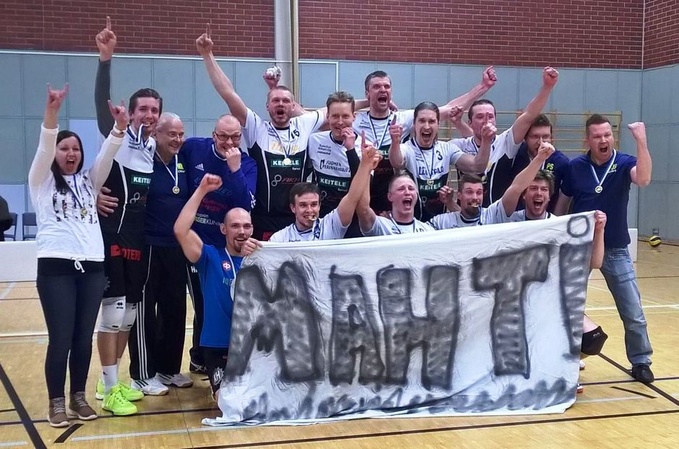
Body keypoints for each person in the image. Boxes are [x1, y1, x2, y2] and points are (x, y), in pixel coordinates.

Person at [29, 84, 128, 427]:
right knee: (61, 339)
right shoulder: (40, 180)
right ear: (55, 154)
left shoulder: (90, 181)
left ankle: (79, 397)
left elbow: (108, 155)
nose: (70, 153)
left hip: (92, 269)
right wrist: (52, 111)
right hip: (56, 269)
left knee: (82, 339)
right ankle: (56, 403)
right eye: (64, 148)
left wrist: (119, 127)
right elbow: (44, 145)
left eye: (75, 149)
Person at [196, 25, 327, 240]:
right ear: (267, 106)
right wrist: (207, 55)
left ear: (293, 106)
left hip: (298, 219)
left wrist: (370, 103)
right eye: (275, 101)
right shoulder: (256, 127)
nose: (280, 104)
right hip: (263, 220)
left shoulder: (303, 124)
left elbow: (338, 110)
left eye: (286, 101)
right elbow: (228, 93)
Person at [94, 18, 162, 413]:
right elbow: (101, 106)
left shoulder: (151, 148)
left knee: (129, 316)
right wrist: (105, 61)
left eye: (154, 110)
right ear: (130, 113)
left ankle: (111, 381)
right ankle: (108, 388)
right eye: (142, 109)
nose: (148, 115)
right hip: (112, 238)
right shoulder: (117, 137)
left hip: (138, 239)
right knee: (114, 313)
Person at [556, 114, 654, 384]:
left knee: (633, 311)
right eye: (597, 136)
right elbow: (561, 206)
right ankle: (565, 359)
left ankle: (641, 361)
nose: (603, 140)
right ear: (587, 140)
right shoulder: (575, 167)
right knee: (567, 307)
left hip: (616, 249)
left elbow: (644, 179)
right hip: (578, 250)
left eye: (607, 135)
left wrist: (641, 141)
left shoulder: (624, 163)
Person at [355, 67, 497, 214]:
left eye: (386, 87)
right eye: (376, 87)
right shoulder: (355, 120)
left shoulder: (404, 118)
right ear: (367, 93)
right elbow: (337, 109)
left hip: (395, 196)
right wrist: (367, 102)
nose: (382, 90)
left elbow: (450, 109)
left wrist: (483, 86)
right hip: (365, 191)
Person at [181, 113, 257, 375]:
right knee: (201, 303)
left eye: (235, 137)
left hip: (225, 244)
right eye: (223, 136)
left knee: (221, 300)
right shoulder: (194, 148)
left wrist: (235, 170)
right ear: (213, 135)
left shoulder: (247, 164)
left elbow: (245, 205)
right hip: (196, 242)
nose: (229, 142)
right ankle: (200, 357)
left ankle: (209, 356)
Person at [174, 175, 261, 397]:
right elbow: (181, 230)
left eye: (246, 226)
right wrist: (202, 190)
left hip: (254, 346)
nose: (241, 231)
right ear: (223, 229)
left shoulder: (263, 259)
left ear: (252, 229)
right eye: (235, 226)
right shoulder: (210, 257)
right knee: (228, 399)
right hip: (218, 346)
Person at [451, 67, 559, 207]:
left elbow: (529, 116)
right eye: (480, 116)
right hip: (467, 216)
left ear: (495, 120)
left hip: (498, 216)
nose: (486, 120)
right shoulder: (457, 145)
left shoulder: (506, 142)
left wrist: (547, 86)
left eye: (490, 116)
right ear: (470, 123)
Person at [388, 101, 494, 221]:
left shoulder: (447, 149)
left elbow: (477, 166)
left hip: (438, 223)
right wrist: (395, 142)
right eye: (422, 121)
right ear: (414, 124)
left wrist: (486, 141)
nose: (427, 126)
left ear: (438, 124)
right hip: (411, 223)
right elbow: (396, 162)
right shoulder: (406, 148)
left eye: (432, 121)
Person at [269, 135, 380, 242]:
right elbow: (264, 252)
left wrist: (365, 165)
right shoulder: (280, 238)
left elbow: (353, 196)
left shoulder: (331, 225)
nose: (309, 210)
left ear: (319, 206)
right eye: (303, 205)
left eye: (314, 204)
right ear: (293, 208)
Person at [428, 141, 555, 229]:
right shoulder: (442, 222)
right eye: (469, 192)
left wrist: (539, 159)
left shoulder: (493, 215)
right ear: (459, 195)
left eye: (479, 192)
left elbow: (516, 188)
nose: (475, 197)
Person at [484, 114, 569, 213]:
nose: (541, 142)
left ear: (552, 139)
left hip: (545, 218)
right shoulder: (514, 157)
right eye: (535, 136)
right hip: (514, 217)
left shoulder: (561, 162)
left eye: (545, 136)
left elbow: (564, 200)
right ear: (525, 138)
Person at [306, 91, 362, 237]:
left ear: (354, 117)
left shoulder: (365, 144)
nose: (340, 122)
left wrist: (350, 150)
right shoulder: (314, 140)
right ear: (328, 117)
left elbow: (364, 184)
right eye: (335, 116)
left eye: (345, 116)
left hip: (353, 218)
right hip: (322, 217)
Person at [357, 173, 434, 236]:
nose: (407, 192)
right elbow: (363, 209)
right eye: (401, 189)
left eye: (411, 188)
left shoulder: (428, 231)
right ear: (390, 196)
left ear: (417, 195)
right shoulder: (381, 226)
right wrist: (367, 168)